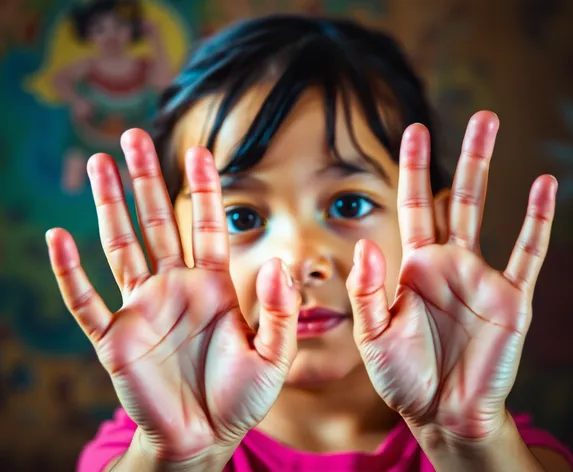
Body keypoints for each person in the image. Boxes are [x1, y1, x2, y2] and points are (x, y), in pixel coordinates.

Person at [46, 14, 573, 472]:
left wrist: (465, 441)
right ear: (176, 246)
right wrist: (181, 459)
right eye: (243, 215)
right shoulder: (148, 450)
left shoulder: (502, 450)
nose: (298, 260)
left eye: (349, 205)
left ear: (433, 228)